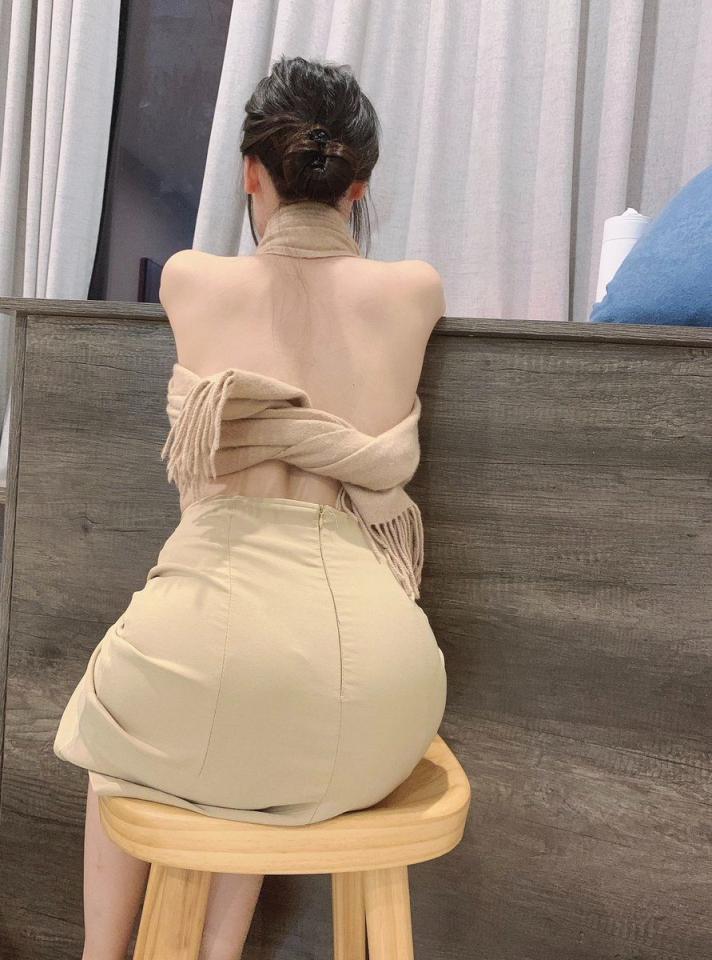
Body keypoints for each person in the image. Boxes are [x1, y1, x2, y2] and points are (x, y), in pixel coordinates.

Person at [53, 54, 447, 960]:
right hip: (381, 694)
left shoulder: (190, 279)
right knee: (259, 738)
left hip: (209, 643)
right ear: (359, 185)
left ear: (250, 174)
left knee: (137, 727)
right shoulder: (414, 291)